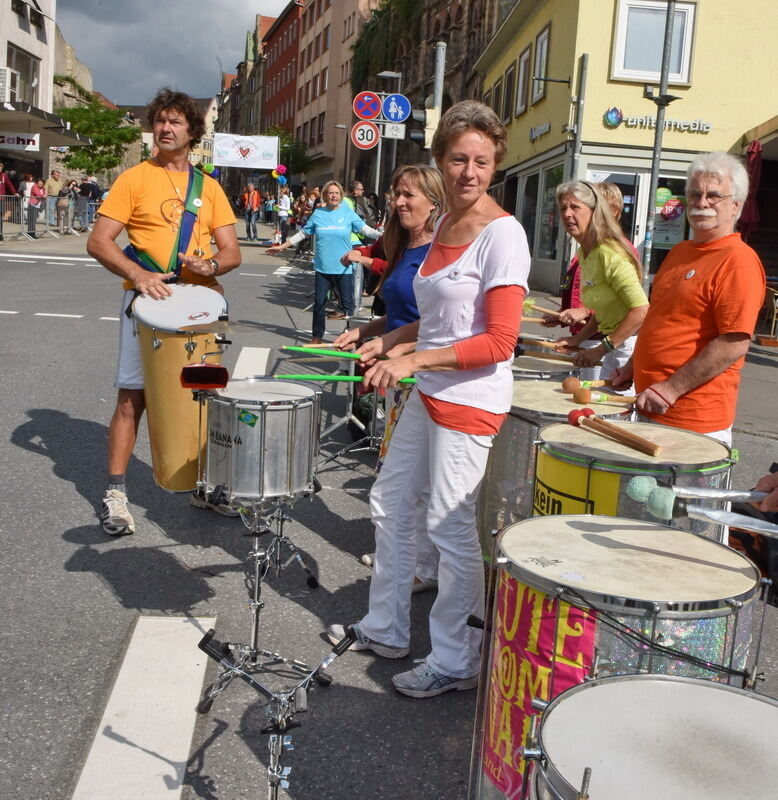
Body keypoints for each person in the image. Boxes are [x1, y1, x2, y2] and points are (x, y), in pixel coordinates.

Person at [326, 100, 530, 698]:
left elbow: (498, 340)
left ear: (495, 165)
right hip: (430, 386)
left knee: (448, 525)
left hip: (470, 397)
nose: (471, 171)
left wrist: (411, 360)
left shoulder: (505, 235)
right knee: (390, 502)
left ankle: (457, 658)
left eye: (483, 161)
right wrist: (389, 340)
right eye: (460, 159)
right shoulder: (442, 226)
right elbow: (438, 320)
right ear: (442, 161)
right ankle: (386, 628)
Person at [87, 87, 241, 536]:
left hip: (199, 307)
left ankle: (205, 485)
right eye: (160, 121)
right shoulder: (135, 178)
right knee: (133, 396)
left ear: (192, 131)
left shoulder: (209, 188)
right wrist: (138, 276)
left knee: (204, 396)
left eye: (175, 121)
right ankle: (116, 495)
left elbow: (231, 252)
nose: (165, 128)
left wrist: (208, 264)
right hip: (147, 303)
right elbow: (98, 241)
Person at [334, 164, 447, 593]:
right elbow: (398, 313)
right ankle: (406, 554)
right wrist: (366, 331)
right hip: (398, 374)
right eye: (397, 194)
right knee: (400, 475)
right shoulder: (405, 245)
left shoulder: (439, 249)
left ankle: (422, 565)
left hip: (422, 372)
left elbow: (439, 322)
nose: (399, 202)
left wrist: (400, 349)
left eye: (410, 195)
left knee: (410, 479)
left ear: (434, 201)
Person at [612, 152, 765, 445]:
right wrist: (634, 365)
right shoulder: (680, 252)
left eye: (714, 195)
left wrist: (670, 389)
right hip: (651, 406)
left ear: (736, 206)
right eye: (695, 194)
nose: (702, 202)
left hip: (693, 422)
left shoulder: (738, 261)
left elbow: (733, 343)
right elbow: (662, 318)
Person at [553, 180, 649, 382]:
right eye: (563, 208)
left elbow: (641, 310)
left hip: (627, 346)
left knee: (612, 411)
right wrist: (577, 339)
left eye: (575, 207)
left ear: (595, 211)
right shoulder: (586, 252)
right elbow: (604, 311)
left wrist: (599, 350)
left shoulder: (609, 253)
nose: (567, 214)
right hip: (612, 342)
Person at [266, 180, 379, 343]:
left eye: (337, 193)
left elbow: (366, 230)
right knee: (319, 303)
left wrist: (385, 236)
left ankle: (349, 336)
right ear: (325, 195)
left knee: (348, 306)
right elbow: (303, 234)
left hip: (344, 267)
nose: (333, 196)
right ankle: (316, 336)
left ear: (341, 195)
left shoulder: (348, 213)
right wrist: (282, 246)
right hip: (323, 268)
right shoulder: (318, 214)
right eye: (330, 193)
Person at [0, 162, 19, 241]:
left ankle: (0, 235)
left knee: (0, 218)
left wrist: (15, 193)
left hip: (1, 199)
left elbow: (10, 185)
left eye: (1, 168)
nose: (0, 169)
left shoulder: (4, 176)